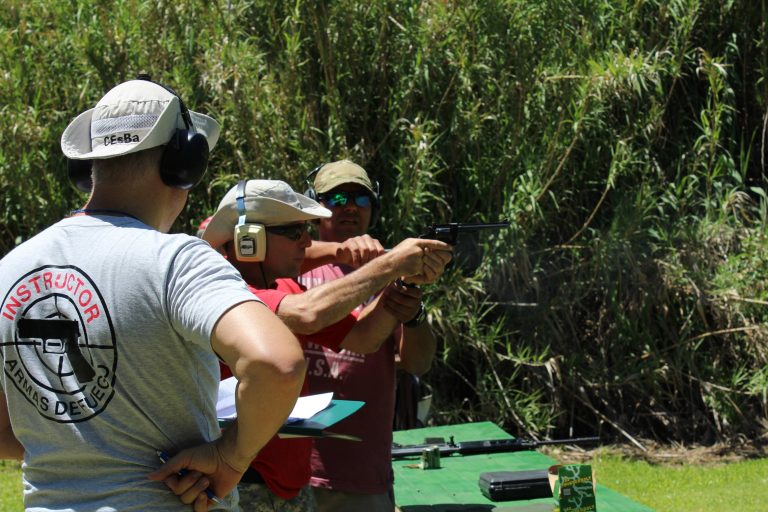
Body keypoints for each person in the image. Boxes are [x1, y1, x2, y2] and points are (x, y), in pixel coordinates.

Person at [0, 78, 306, 511]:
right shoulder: (176, 260)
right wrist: (231, 457)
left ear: (86, 168)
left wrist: (78, 449)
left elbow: (5, 431)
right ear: (184, 164)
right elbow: (276, 364)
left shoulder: (9, 269)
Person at [200, 179, 452, 511]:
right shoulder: (228, 290)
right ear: (250, 240)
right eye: (295, 232)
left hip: (288, 486)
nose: (307, 241)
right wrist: (390, 263)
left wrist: (404, 282)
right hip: (241, 485)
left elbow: (364, 337)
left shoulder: (284, 287)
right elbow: (308, 314)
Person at [300, 160, 439, 512]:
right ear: (313, 206)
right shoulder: (289, 265)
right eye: (338, 198)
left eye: (361, 199)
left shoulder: (393, 270)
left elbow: (418, 362)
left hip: (361, 473)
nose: (350, 207)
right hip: (290, 468)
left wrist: (414, 315)